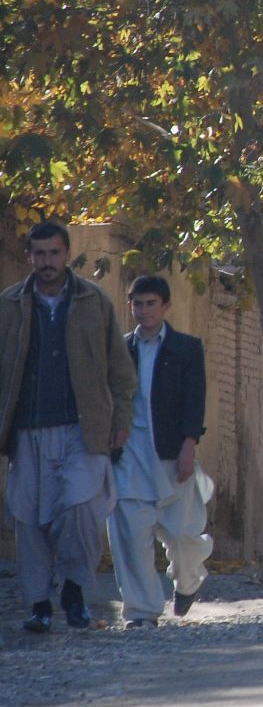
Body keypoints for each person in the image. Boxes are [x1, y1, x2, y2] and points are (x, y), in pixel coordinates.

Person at [0, 222, 136, 632]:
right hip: (27, 430)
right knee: (28, 519)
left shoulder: (94, 301)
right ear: (30, 257)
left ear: (66, 254)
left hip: (84, 428)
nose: (47, 262)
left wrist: (121, 421)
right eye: (39, 254)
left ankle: (75, 591)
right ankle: (40, 604)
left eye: (54, 253)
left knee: (80, 510)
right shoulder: (9, 305)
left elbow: (120, 371)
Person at [108, 275, 214, 627]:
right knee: (129, 535)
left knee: (183, 535)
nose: (143, 310)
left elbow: (193, 401)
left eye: (151, 303)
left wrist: (189, 445)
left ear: (165, 306)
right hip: (129, 458)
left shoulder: (186, 349)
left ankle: (188, 582)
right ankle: (141, 611)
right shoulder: (120, 350)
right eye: (137, 304)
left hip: (171, 455)